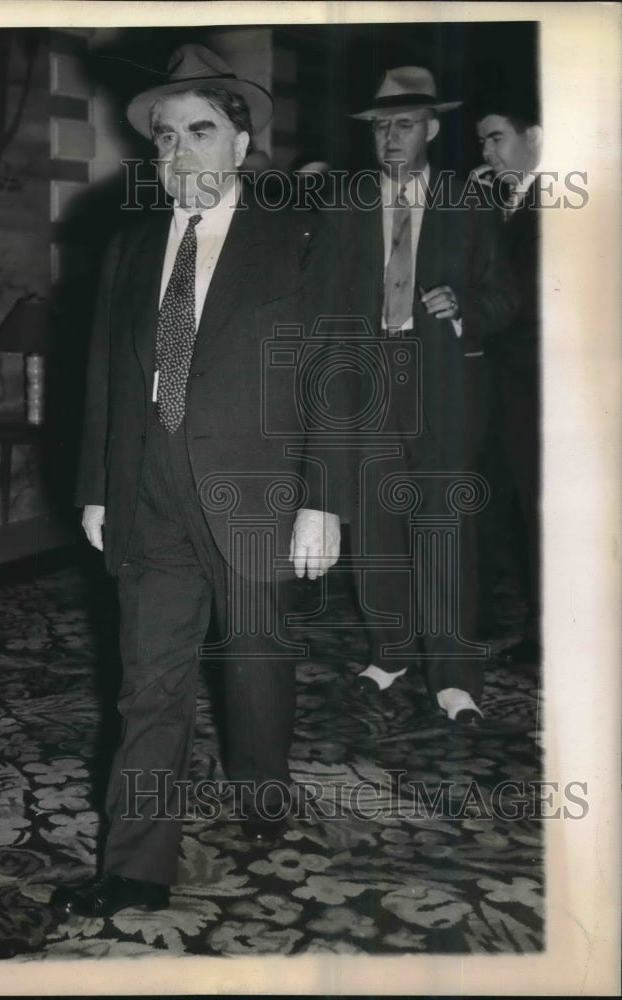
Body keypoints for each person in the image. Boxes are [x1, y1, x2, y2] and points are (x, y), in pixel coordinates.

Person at [50, 44, 334, 921]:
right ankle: (135, 864)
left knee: (255, 661)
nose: (180, 155)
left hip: (260, 487)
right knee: (150, 680)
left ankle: (260, 790)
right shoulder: (130, 247)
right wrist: (99, 484)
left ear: (241, 144)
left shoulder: (300, 238)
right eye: (166, 138)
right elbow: (103, 372)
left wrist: (323, 501)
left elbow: (338, 376)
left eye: (201, 132)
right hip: (148, 489)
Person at [311, 66, 518, 727]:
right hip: (367, 379)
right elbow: (320, 304)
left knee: (442, 529)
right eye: (380, 127)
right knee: (373, 527)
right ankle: (390, 649)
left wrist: (462, 307)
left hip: (445, 385)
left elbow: (504, 296)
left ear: (430, 128)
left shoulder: (467, 200)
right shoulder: (345, 204)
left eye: (403, 125)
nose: (390, 138)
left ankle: (453, 674)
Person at [473, 95, 542, 665]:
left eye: (496, 138)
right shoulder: (512, 203)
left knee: (541, 512)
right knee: (502, 504)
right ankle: (494, 618)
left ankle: (548, 635)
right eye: (483, 142)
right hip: (505, 385)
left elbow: (520, 300)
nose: (486, 152)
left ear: (534, 137)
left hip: (538, 387)